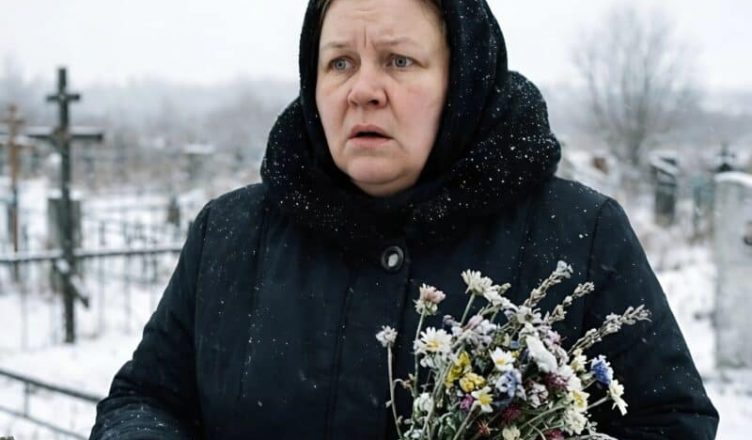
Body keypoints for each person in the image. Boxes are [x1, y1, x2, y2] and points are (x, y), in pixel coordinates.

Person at [90, 0, 719, 438]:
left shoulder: (578, 233)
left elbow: (669, 422)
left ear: (463, 81)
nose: (363, 89)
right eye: (339, 62)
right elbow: (145, 400)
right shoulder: (229, 235)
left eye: (399, 61)